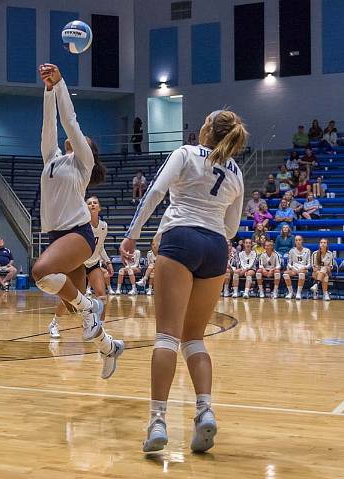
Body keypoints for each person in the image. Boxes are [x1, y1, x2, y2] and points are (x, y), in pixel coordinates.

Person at [119, 108, 246, 453]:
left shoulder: (185, 153)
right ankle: (205, 410)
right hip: (216, 248)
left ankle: (158, 421)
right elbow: (232, 229)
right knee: (195, 339)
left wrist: (132, 235)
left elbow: (154, 193)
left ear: (207, 130)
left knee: (166, 337)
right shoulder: (236, 171)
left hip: (181, 239)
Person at [32, 64, 122, 379]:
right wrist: (47, 90)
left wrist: (61, 84)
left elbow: (69, 121)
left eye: (82, 138)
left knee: (41, 272)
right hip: (57, 236)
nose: (75, 137)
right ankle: (109, 347)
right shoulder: (52, 158)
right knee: (74, 308)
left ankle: (89, 308)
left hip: (78, 235)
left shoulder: (82, 162)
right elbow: (49, 123)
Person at [49, 196, 112, 339]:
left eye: (95, 203)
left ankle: (99, 328)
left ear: (99, 208)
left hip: (94, 263)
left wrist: (107, 262)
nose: (92, 205)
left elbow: (100, 247)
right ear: (86, 208)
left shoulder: (104, 226)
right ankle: (54, 324)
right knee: (73, 299)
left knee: (102, 296)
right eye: (89, 203)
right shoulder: (82, 226)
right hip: (80, 263)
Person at [283, 235, 311, 300]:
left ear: (302, 241)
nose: (298, 241)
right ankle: (290, 292)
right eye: (296, 240)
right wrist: (292, 268)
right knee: (285, 274)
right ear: (295, 242)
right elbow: (289, 263)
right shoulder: (292, 251)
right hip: (294, 269)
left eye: (299, 240)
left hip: (303, 269)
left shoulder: (307, 250)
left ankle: (298, 293)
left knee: (301, 273)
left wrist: (305, 267)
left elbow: (309, 264)